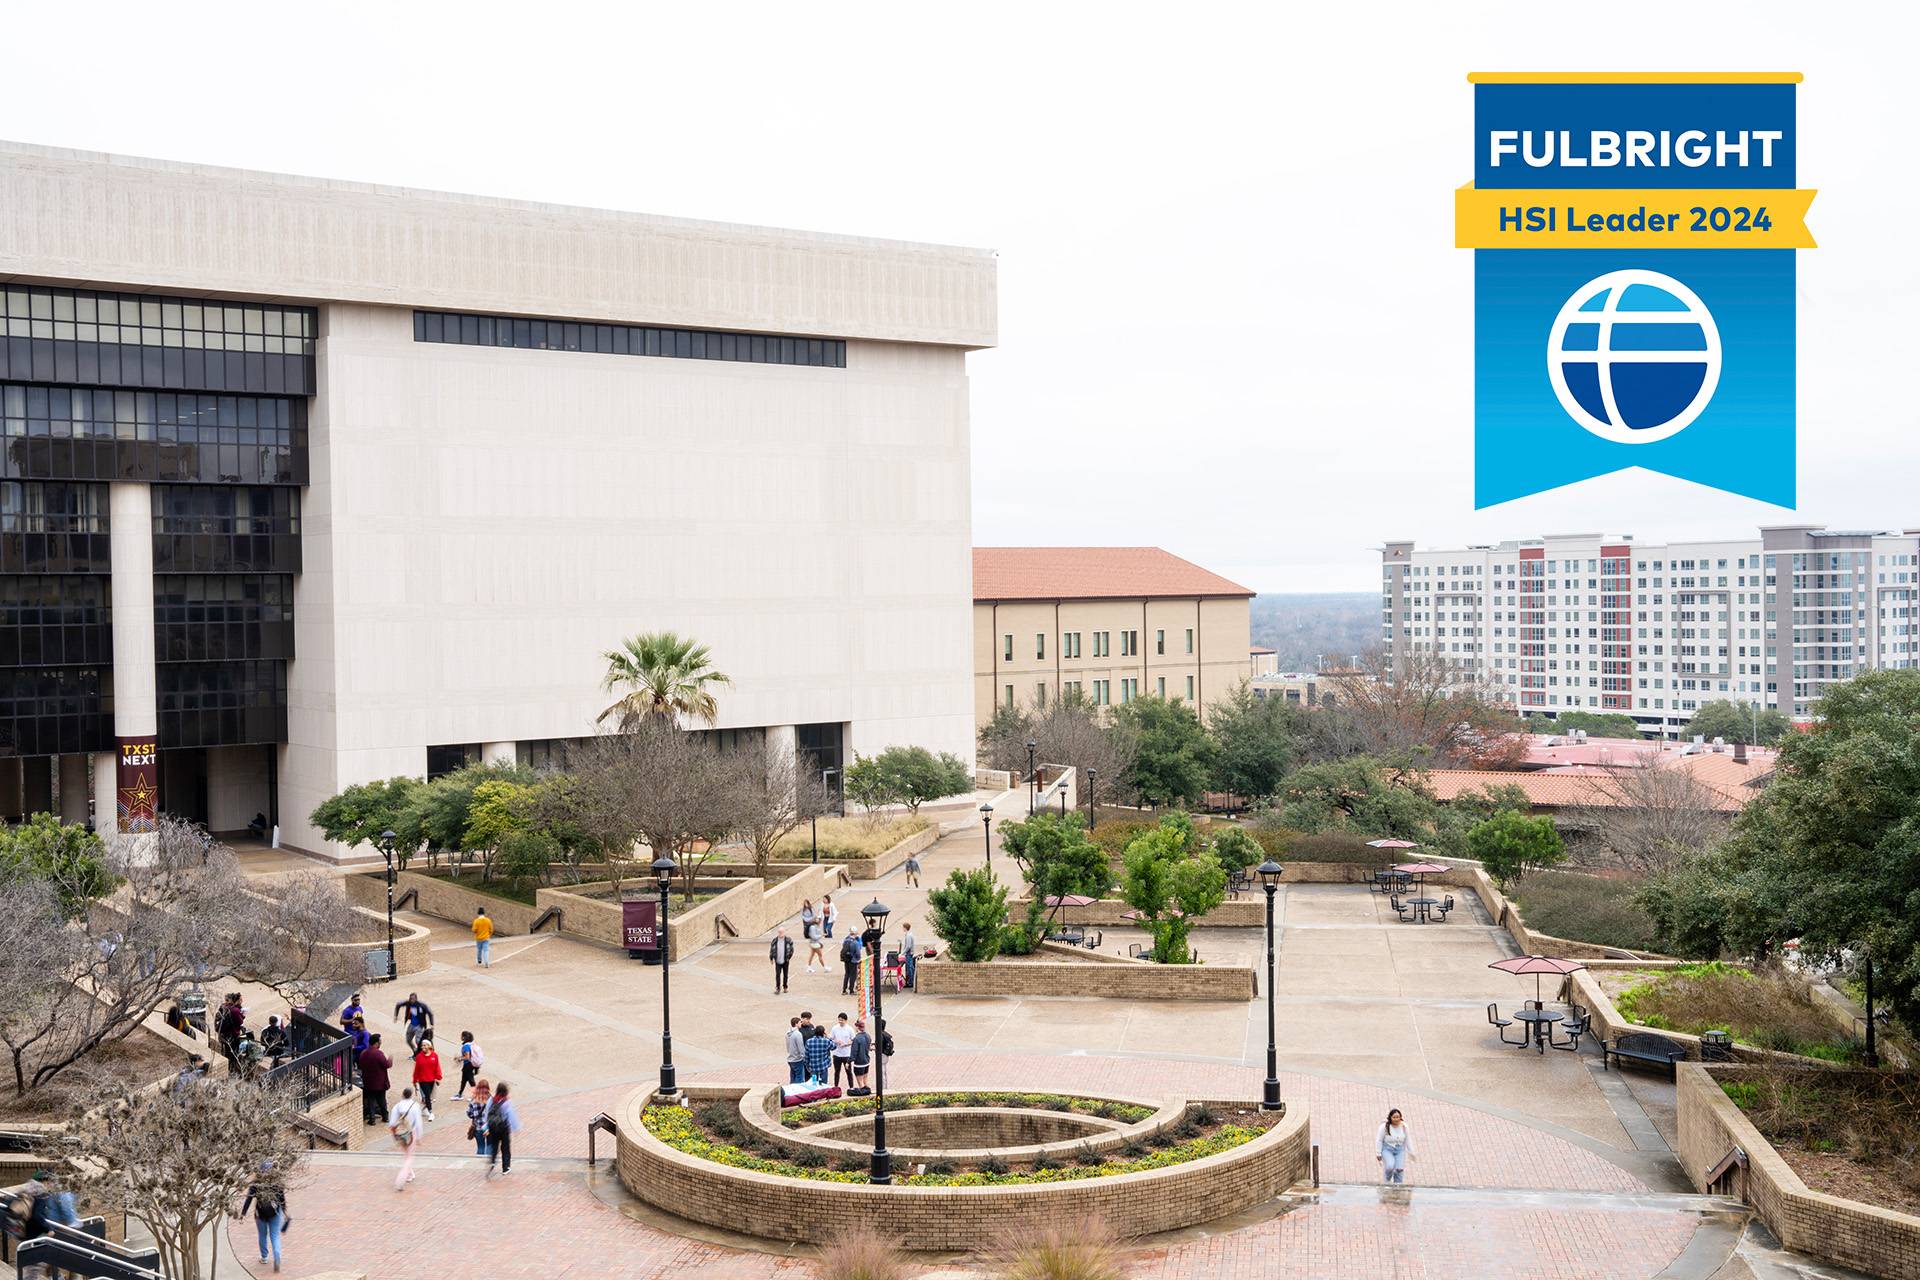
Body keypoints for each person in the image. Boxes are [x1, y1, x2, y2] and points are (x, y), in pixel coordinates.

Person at [240, 1169, 289, 1272]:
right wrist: (284, 1212)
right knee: (275, 1236)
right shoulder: (277, 1183)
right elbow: (282, 1199)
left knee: (262, 1235)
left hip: (260, 1214)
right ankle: (277, 1256)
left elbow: (248, 1199)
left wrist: (243, 1213)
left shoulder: (256, 1184)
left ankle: (264, 1257)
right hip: (274, 1213)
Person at [389, 1086, 424, 1190]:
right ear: (411, 1095)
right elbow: (418, 1123)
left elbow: (392, 1123)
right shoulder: (415, 1106)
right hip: (410, 1133)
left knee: (406, 1154)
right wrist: (419, 1136)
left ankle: (410, 1174)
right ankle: (401, 1179)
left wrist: (394, 1135)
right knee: (409, 1157)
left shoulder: (397, 1106)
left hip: (399, 1133)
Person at [485, 1082, 520, 1175]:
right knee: (505, 1148)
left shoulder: (491, 1100)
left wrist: (486, 1125)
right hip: (503, 1128)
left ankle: (492, 1160)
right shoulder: (507, 1102)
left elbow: (487, 1112)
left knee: (494, 1145)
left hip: (493, 1127)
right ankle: (505, 1167)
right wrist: (516, 1127)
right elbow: (511, 1115)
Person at [358, 1033, 392, 1125]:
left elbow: (360, 1065)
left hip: (368, 1082)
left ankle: (372, 1119)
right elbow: (387, 1065)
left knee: (371, 1101)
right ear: (376, 1043)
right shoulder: (378, 1054)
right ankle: (385, 1117)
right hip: (380, 1083)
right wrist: (390, 1060)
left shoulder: (364, 1053)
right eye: (380, 1042)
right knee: (382, 1101)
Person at [1377, 1108, 1413, 1185]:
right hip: (1387, 1149)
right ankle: (1387, 1180)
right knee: (1390, 1166)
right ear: (1390, 1118)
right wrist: (1378, 1153)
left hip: (1400, 1150)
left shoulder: (1404, 1126)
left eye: (1398, 1117)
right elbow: (1379, 1140)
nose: (1396, 1119)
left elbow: (1407, 1139)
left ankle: (1398, 1185)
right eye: (1394, 1117)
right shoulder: (1384, 1127)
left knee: (1399, 1169)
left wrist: (1411, 1151)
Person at [393, 992, 434, 1057]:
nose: (411, 1001)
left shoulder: (421, 1005)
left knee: (418, 1041)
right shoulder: (408, 1003)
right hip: (411, 1025)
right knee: (408, 1040)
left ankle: (423, 1054)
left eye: (413, 999)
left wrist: (431, 1024)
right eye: (410, 999)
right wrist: (396, 1016)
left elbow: (430, 1013)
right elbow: (398, 1005)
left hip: (419, 1026)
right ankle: (415, 1051)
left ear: (416, 999)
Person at [413, 1037, 443, 1120]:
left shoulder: (434, 1055)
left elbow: (437, 1067)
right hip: (423, 1080)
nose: (423, 1047)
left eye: (425, 1045)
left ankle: (424, 1109)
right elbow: (416, 1070)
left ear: (429, 1046)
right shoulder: (419, 1057)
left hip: (432, 1079)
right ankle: (430, 1112)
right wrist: (415, 1080)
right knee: (427, 1096)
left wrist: (438, 1077)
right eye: (422, 1045)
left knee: (430, 1096)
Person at [466, 1079, 494, 1157]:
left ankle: (479, 1163)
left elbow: (469, 1113)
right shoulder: (491, 1099)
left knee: (480, 1147)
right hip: (488, 1127)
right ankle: (488, 1161)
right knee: (489, 1145)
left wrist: (475, 1116)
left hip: (478, 1127)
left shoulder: (474, 1100)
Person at [828, 1013, 855, 1089]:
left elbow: (853, 1040)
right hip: (836, 1053)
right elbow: (830, 1038)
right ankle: (836, 1086)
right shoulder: (835, 1028)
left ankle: (851, 1087)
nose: (840, 1021)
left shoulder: (850, 1029)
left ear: (846, 1020)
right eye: (839, 1020)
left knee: (849, 1072)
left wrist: (846, 1044)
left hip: (846, 1054)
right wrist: (836, 1041)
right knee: (837, 1071)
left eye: (842, 1020)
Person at [454, 1031, 484, 1099]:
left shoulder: (466, 1046)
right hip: (470, 1065)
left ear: (464, 1037)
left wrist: (459, 1059)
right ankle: (460, 1094)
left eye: (461, 1036)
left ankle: (476, 1095)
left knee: (471, 1081)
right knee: (464, 1080)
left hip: (468, 1065)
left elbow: (467, 1057)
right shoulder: (471, 1044)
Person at [769, 928, 794, 993]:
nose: (781, 934)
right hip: (777, 960)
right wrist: (771, 958)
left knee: (785, 975)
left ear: (784, 932)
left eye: (782, 932)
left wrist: (788, 957)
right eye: (779, 932)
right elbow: (772, 950)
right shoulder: (774, 941)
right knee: (778, 974)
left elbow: (791, 950)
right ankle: (777, 988)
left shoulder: (788, 940)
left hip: (785, 960)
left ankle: (785, 987)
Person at [850, 1019, 872, 1093]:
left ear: (857, 1027)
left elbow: (854, 1052)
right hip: (866, 1061)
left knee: (860, 1082)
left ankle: (864, 1095)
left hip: (859, 1063)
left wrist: (849, 1061)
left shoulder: (856, 1039)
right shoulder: (868, 1036)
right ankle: (868, 1092)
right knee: (865, 1080)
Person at [839, 930, 863, 996]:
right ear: (855, 934)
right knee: (853, 975)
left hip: (846, 959)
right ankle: (851, 990)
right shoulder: (855, 943)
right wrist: (858, 959)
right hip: (853, 960)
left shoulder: (845, 940)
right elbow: (858, 953)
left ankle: (844, 989)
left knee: (847, 974)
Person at [785, 1016, 807, 1084]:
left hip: (790, 1058)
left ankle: (792, 1090)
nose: (801, 1024)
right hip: (797, 1059)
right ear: (796, 1024)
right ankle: (797, 1091)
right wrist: (804, 1057)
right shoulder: (798, 1034)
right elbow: (801, 1047)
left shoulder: (787, 1033)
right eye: (800, 1022)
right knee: (799, 1078)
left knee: (793, 1077)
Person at [899, 921, 919, 990]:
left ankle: (910, 982)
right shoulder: (909, 935)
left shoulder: (908, 936)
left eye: (903, 927)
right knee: (910, 967)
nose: (902, 929)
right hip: (909, 953)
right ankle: (911, 981)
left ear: (905, 928)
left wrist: (902, 953)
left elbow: (908, 946)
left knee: (909, 968)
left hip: (908, 954)